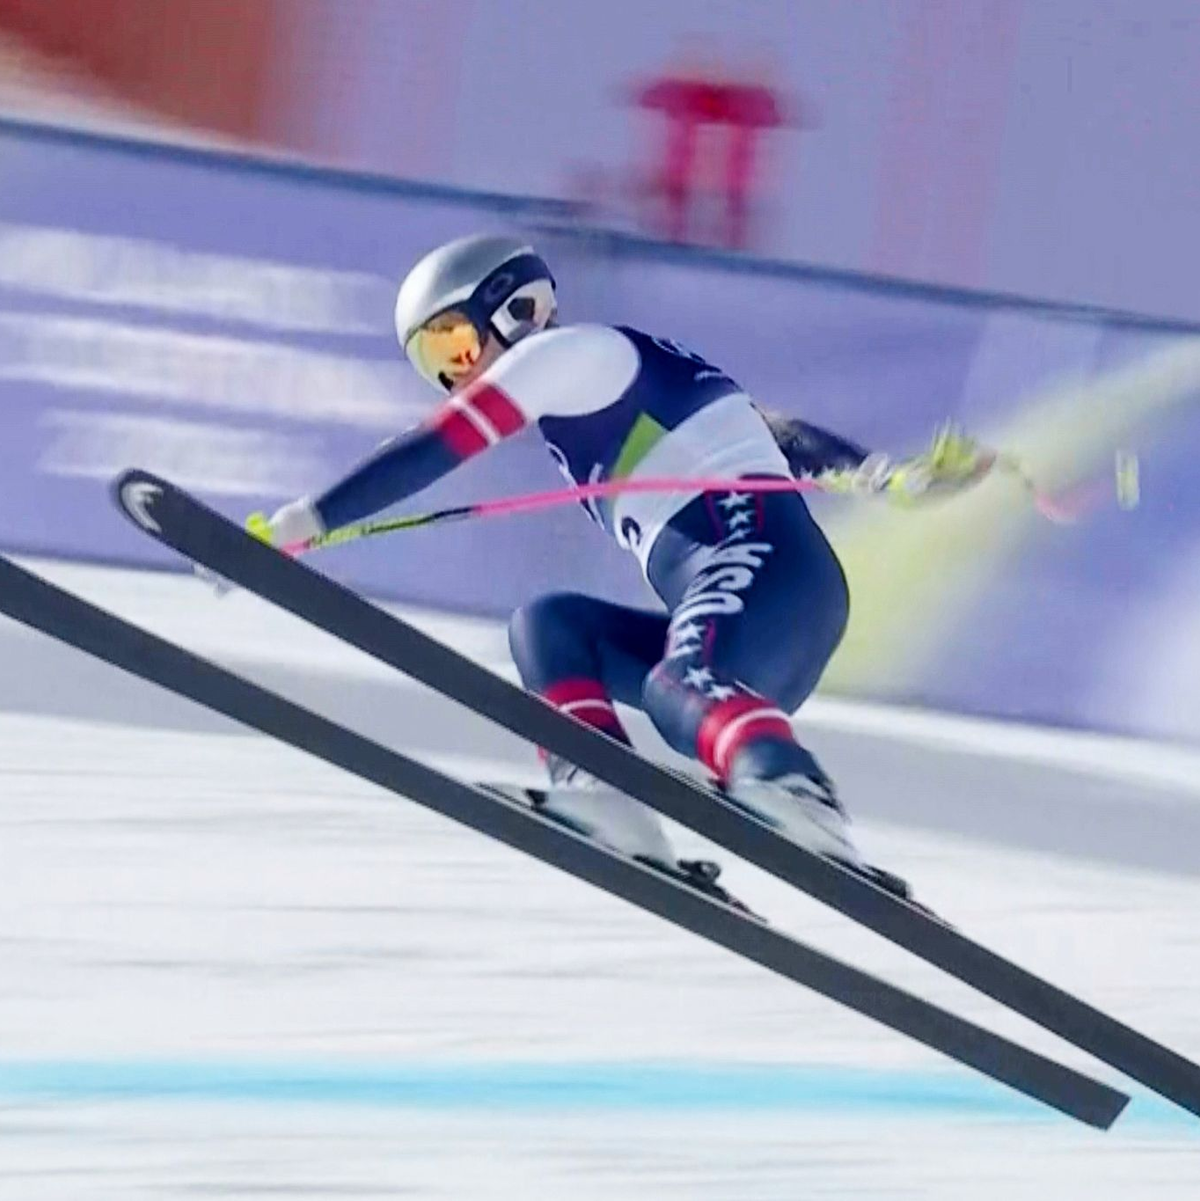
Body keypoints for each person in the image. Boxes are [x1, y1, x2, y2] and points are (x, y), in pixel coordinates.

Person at [258, 234, 993, 900]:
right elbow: (771, 429)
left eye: (454, 344)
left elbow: (434, 446)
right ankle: (601, 788)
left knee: (678, 682)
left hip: (762, 567)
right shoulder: (601, 385)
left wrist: (310, 520)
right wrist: (882, 474)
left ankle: (793, 790)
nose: (457, 377)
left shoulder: (568, 355)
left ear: (510, 308)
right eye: (435, 365)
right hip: (763, 610)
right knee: (551, 628)